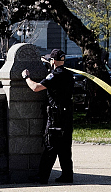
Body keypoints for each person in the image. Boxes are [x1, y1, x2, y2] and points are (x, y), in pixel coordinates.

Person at [22, 49, 74, 184]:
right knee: (65, 148)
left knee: (50, 146)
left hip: (56, 117)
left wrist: (26, 77)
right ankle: (67, 176)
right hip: (67, 116)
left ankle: (42, 176)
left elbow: (36, 87)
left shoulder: (54, 76)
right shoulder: (68, 75)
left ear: (53, 61)